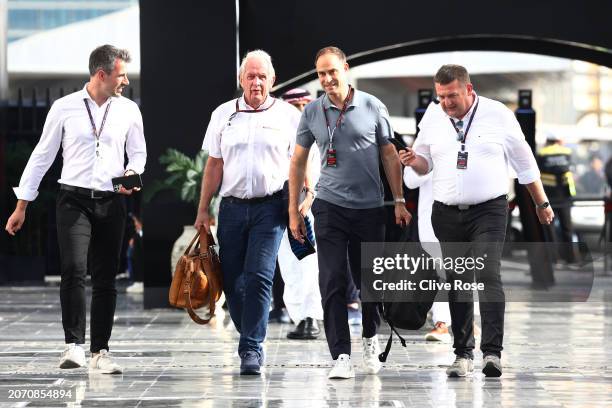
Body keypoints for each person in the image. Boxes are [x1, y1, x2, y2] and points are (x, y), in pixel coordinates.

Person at [400, 64, 553, 378]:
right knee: (457, 282)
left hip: (489, 209)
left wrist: (542, 203)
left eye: (452, 95)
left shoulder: (498, 115)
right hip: (445, 213)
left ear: (469, 90)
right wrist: (414, 160)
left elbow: (525, 163)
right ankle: (463, 353)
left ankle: (492, 353)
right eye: (441, 96)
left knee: (486, 272)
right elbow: (423, 166)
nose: (447, 103)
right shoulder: (433, 117)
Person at [5, 45, 146, 375]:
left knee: (106, 277)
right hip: (73, 201)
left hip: (112, 201)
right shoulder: (64, 108)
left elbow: (138, 154)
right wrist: (21, 205)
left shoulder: (129, 111)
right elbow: (42, 156)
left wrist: (131, 172)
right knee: (72, 268)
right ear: (102, 74)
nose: (125, 80)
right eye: (121, 74)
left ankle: (101, 352)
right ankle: (74, 346)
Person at [288, 46, 411, 379]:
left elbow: (388, 154)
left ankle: (370, 338)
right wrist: (293, 211)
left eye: (332, 71)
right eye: (321, 73)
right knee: (331, 279)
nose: (327, 79)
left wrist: (398, 199)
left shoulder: (373, 106)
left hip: (369, 208)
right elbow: (298, 161)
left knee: (369, 282)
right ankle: (340, 354)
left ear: (345, 68)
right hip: (329, 206)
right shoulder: (312, 112)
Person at [194, 50, 301, 375]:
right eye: (250, 76)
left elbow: (299, 162)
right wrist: (202, 210)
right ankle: (248, 330)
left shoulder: (288, 115)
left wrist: (301, 202)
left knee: (259, 277)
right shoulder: (223, 114)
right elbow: (214, 164)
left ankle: (251, 348)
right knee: (233, 280)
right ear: (241, 80)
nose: (256, 82)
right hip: (232, 208)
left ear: (272, 80)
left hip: (271, 208)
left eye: (262, 76)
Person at [277, 88, 322, 339]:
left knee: (306, 262)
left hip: (306, 204)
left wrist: (307, 202)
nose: (299, 110)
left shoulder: (315, 132)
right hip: (282, 202)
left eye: (303, 105)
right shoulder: (282, 133)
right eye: (295, 105)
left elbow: (310, 169)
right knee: (288, 262)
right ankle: (301, 316)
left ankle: (310, 317)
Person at [403, 167, 452, 343]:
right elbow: (410, 180)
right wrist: (425, 165)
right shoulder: (428, 140)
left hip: (473, 212)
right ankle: (442, 322)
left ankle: (464, 322)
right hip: (433, 218)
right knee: (442, 269)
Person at [536, 136, 577, 263]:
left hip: (549, 197)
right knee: (567, 229)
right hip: (565, 196)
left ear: (547, 141)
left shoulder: (542, 153)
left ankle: (553, 259)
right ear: (558, 141)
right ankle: (571, 258)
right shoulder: (567, 152)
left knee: (549, 228)